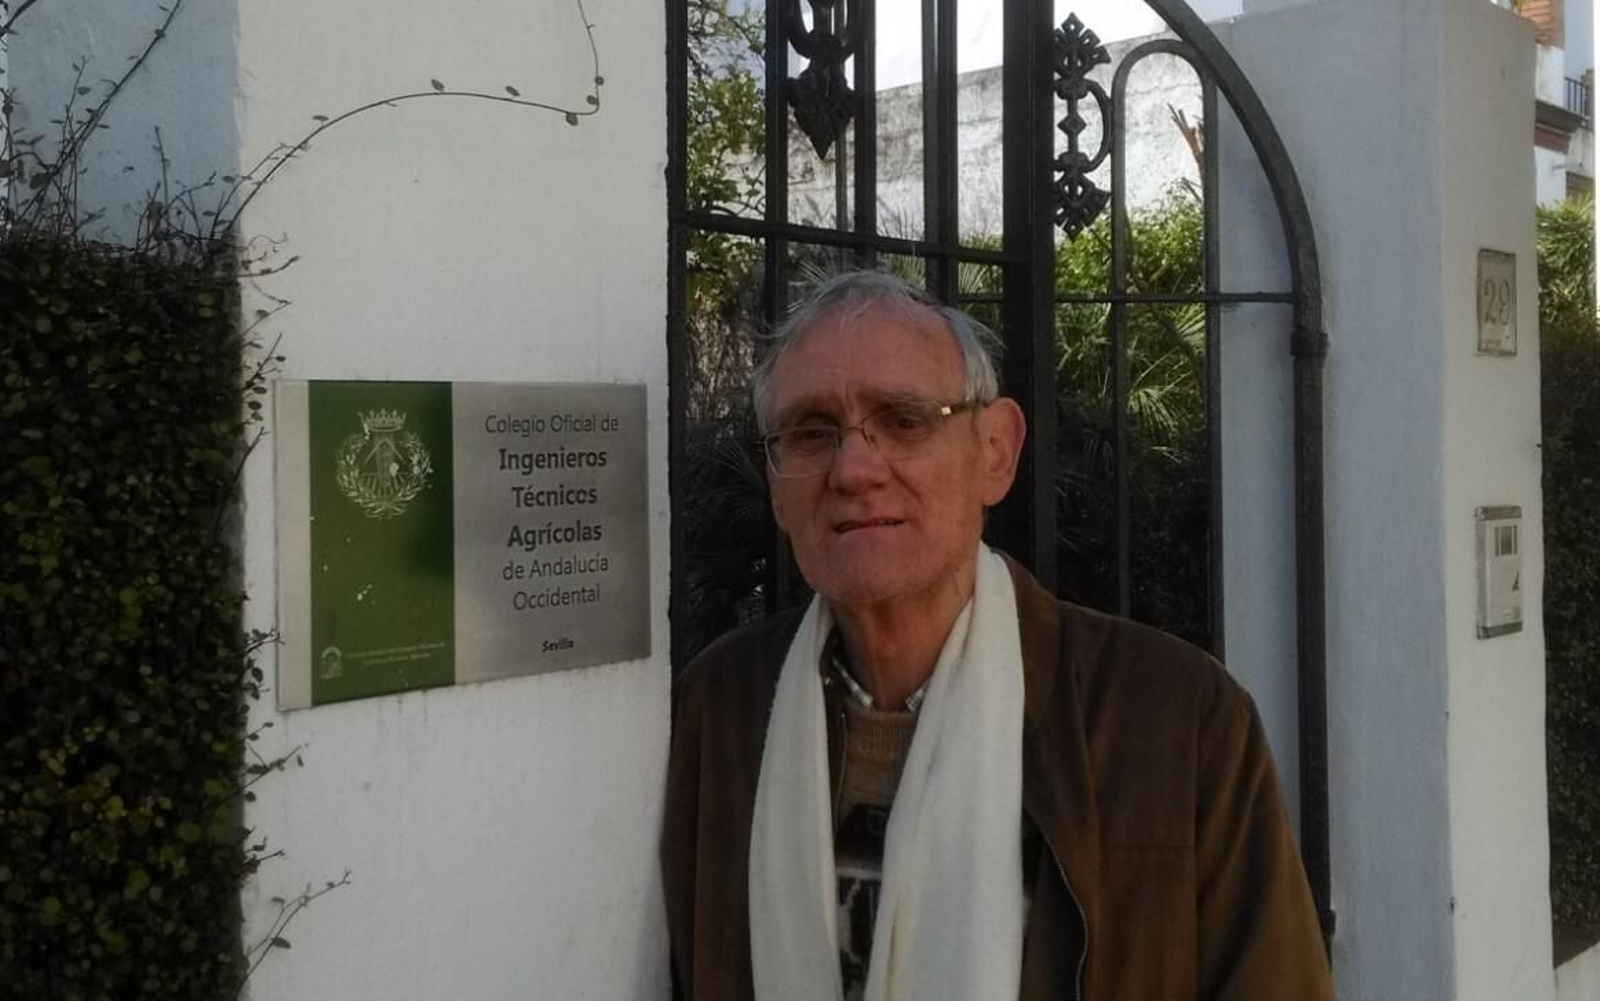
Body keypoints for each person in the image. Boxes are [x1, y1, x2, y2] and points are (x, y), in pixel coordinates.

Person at [662, 269, 1333, 1001]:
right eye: (812, 431)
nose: (854, 468)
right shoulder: (723, 707)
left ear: (995, 452)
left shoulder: (1176, 720)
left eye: (904, 420)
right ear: (776, 482)